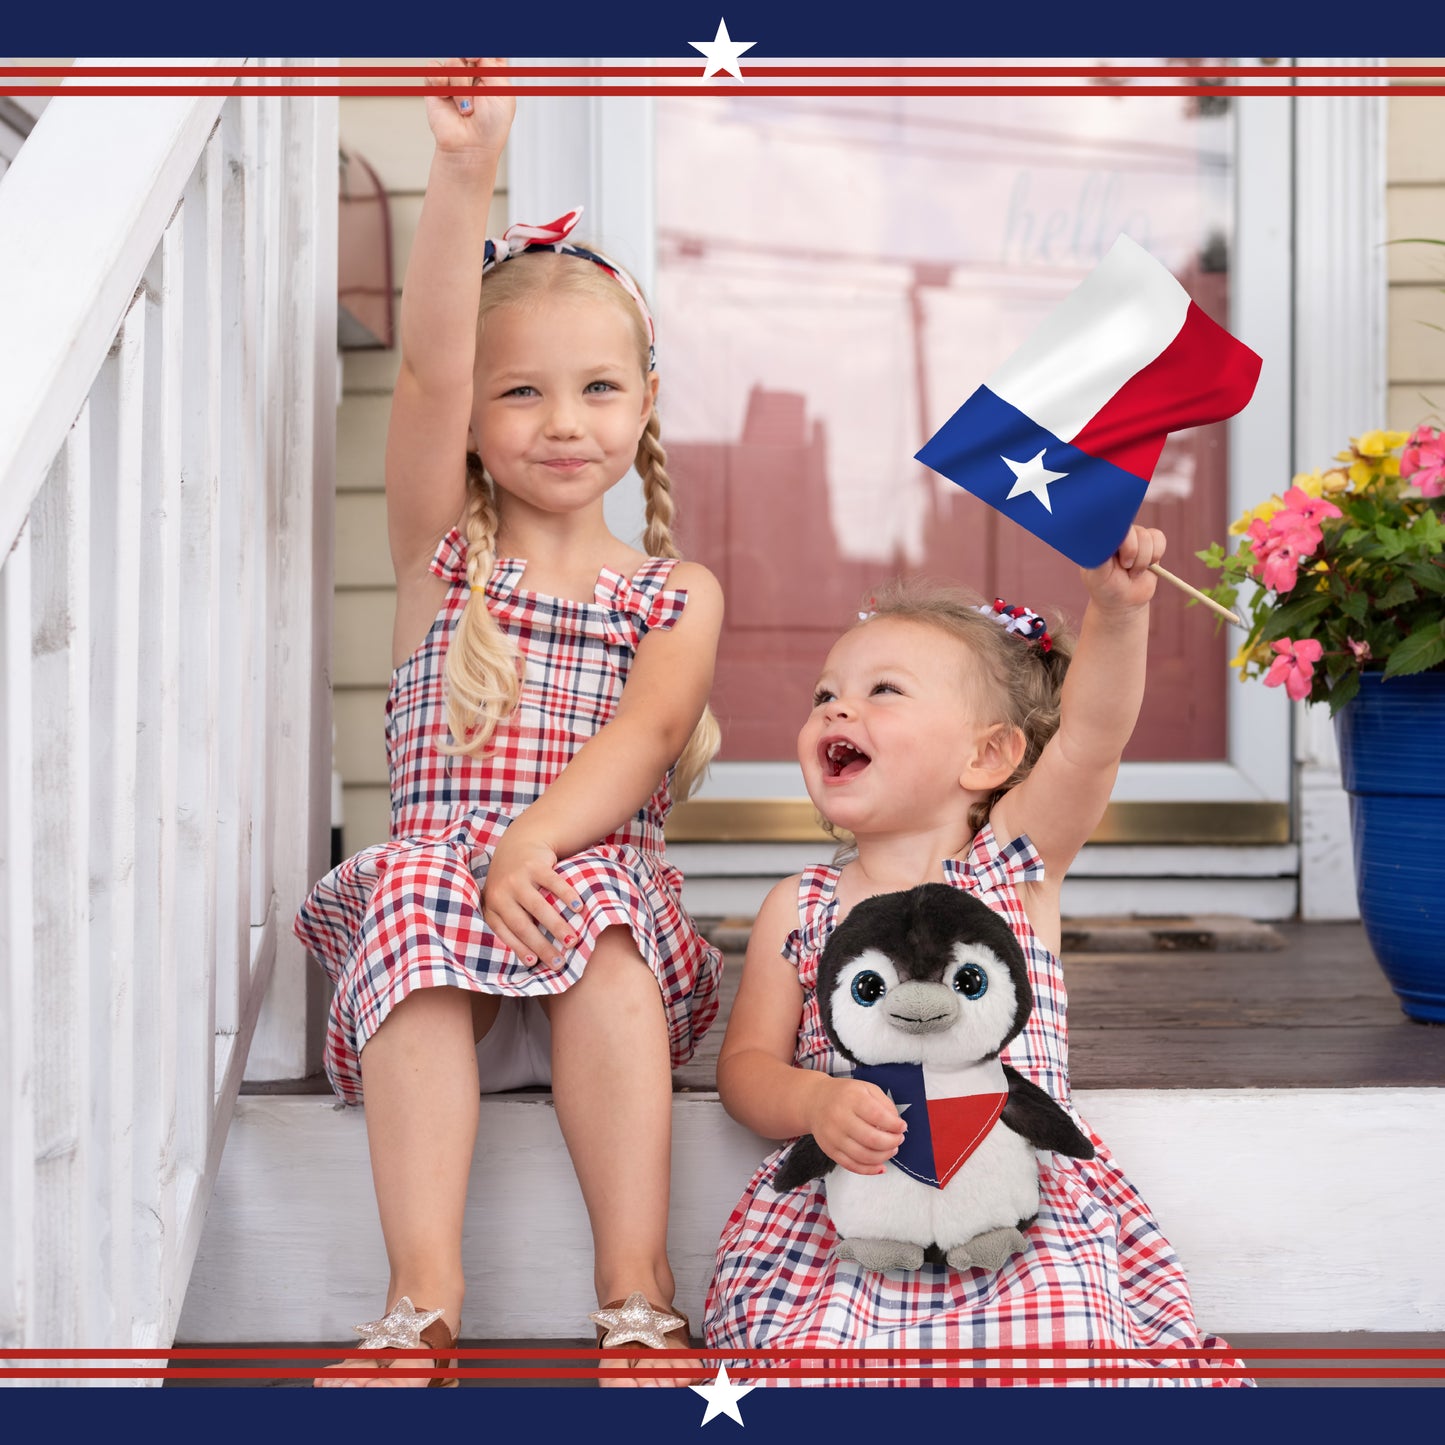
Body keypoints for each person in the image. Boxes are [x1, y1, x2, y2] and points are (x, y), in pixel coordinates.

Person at [297, 58, 724, 1387]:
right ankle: (422, 1297)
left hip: (586, 890)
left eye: (598, 389)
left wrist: (533, 840)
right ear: (476, 424)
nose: (562, 422)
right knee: (420, 887)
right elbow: (424, 366)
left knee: (595, 919)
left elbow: (645, 740)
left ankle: (637, 1290)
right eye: (521, 392)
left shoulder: (672, 591)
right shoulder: (441, 556)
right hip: (450, 885)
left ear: (644, 402)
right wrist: (465, 172)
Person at [703, 527, 1248, 1386]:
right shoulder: (801, 902)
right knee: (813, 1359)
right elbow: (743, 1068)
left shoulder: (1011, 863)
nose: (837, 710)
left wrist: (1117, 609)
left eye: (882, 690)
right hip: (850, 1213)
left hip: (1015, 1209)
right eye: (825, 695)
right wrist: (814, 1099)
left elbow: (1090, 739)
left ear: (986, 753)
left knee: (1062, 1340)